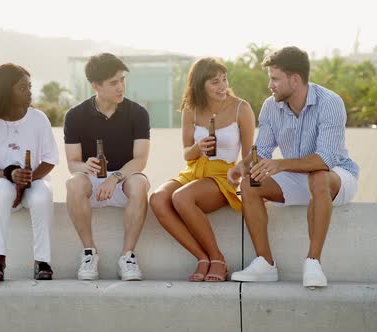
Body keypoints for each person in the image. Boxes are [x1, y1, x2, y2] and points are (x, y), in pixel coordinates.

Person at [228, 47, 359, 287]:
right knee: (250, 184)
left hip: (337, 178)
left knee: (318, 177)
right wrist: (242, 166)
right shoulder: (271, 106)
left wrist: (280, 165)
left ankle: (313, 263)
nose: (270, 85)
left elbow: (324, 160)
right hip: (298, 179)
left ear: (295, 80)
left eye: (275, 78)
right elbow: (263, 150)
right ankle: (265, 264)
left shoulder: (330, 102)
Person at [149, 58, 255, 282]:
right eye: (215, 82)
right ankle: (202, 257)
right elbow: (187, 154)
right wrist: (197, 147)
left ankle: (218, 258)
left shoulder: (241, 108)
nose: (222, 86)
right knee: (158, 199)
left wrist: (245, 183)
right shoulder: (191, 109)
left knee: (182, 198)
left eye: (224, 79)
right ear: (200, 85)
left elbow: (248, 157)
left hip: (223, 175)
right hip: (194, 170)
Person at [64, 53, 150, 281]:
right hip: (92, 183)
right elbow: (72, 163)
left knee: (140, 182)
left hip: (124, 181)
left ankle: (128, 257)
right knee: (73, 183)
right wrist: (85, 166)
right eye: (114, 82)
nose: (121, 86)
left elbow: (140, 160)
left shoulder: (138, 113)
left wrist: (115, 179)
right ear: (95, 85)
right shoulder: (74, 116)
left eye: (122, 80)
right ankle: (89, 253)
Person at [0, 63, 59, 281]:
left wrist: (28, 180)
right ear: (5, 91)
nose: (29, 92)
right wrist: (10, 175)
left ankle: (42, 261)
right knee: (1, 188)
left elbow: (50, 159)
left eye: (29, 87)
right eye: (22, 88)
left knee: (43, 194)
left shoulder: (38, 119)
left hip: (35, 180)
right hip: (2, 182)